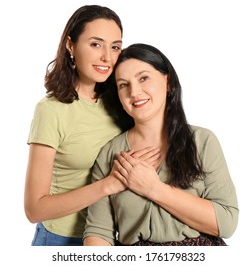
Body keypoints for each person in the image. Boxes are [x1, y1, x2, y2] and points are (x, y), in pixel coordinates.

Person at [24, 6, 159, 246]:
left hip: (115, 236)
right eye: (96, 44)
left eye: (115, 46)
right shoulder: (51, 110)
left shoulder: (122, 99)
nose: (107, 57)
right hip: (62, 239)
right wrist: (108, 185)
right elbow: (34, 209)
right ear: (71, 45)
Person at [83, 43, 239, 246]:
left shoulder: (202, 141)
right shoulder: (110, 154)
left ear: (168, 82)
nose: (134, 91)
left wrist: (153, 188)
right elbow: (98, 232)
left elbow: (226, 223)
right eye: (123, 84)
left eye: (143, 78)